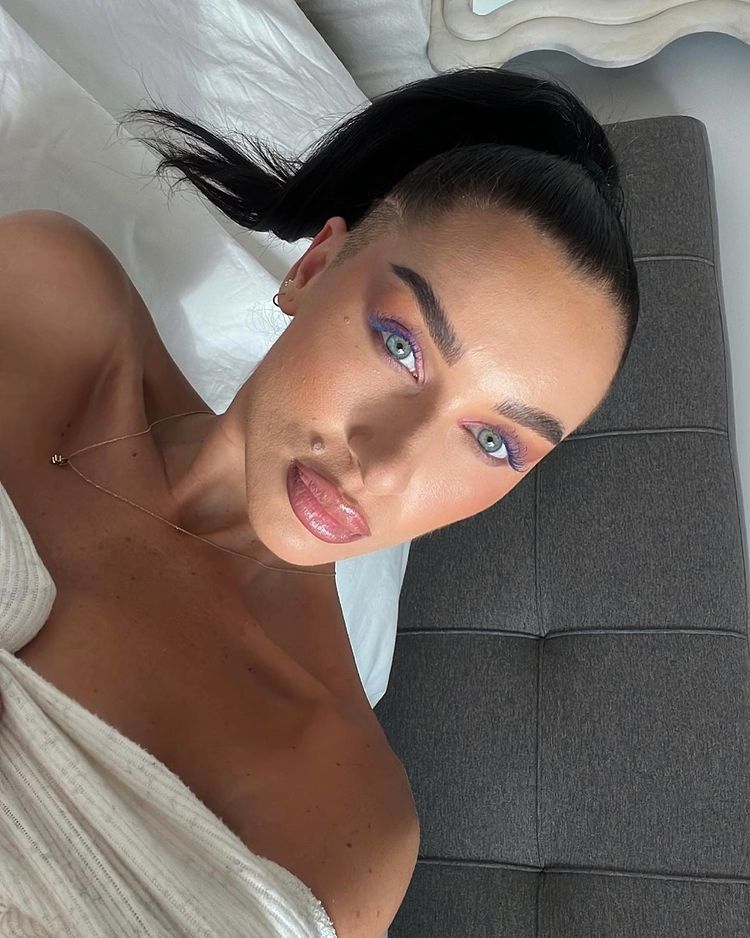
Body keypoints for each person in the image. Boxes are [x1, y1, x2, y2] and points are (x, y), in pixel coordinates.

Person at [0, 66, 638, 936]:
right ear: (315, 266)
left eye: (495, 442)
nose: (387, 461)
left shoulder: (351, 821)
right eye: (402, 346)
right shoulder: (48, 302)